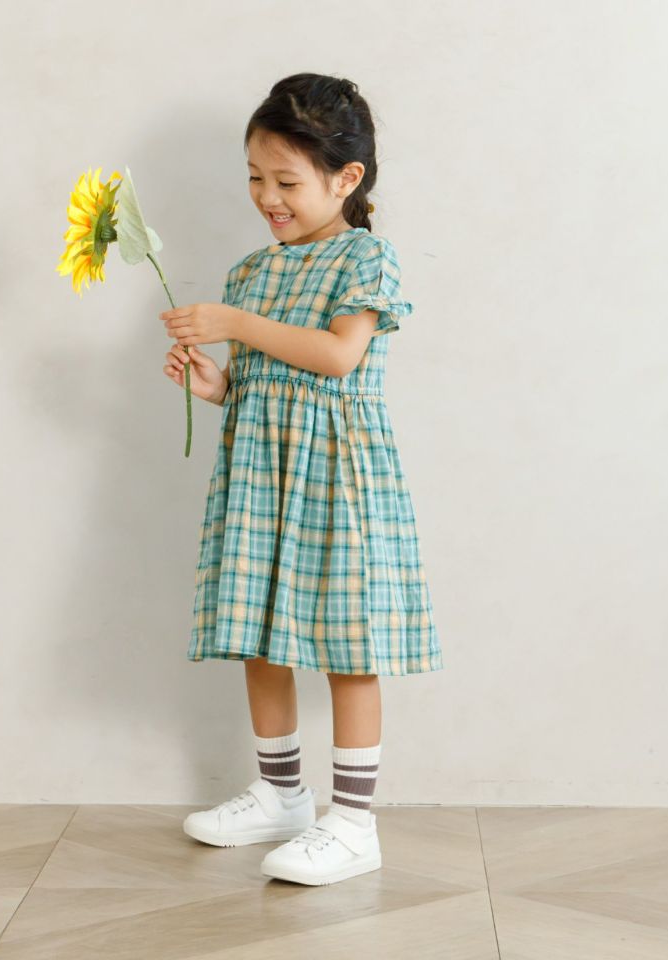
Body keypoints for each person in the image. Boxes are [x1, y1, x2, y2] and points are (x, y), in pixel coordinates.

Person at [161, 73, 443, 886]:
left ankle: (353, 823)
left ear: (346, 177)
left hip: (336, 480)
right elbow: (266, 382)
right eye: (256, 177)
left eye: (286, 181)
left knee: (348, 645)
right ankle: (281, 794)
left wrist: (236, 325)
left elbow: (339, 356)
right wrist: (217, 385)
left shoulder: (365, 256)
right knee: (259, 631)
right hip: (263, 475)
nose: (267, 197)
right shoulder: (252, 272)